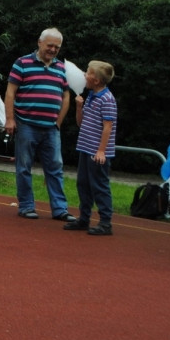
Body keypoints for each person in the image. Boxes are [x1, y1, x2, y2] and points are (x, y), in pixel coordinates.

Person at [4, 28, 76, 222]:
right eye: (49, 45)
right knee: (24, 166)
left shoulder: (62, 68)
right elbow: (10, 92)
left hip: (51, 127)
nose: (52, 49)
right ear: (39, 43)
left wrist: (58, 123)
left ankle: (60, 209)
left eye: (57, 47)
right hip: (26, 123)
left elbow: (66, 96)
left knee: (55, 167)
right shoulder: (22, 63)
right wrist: (10, 119)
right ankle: (27, 206)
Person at [64, 61, 117, 235]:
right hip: (86, 148)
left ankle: (105, 222)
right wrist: (79, 107)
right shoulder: (91, 97)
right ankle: (84, 218)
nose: (84, 75)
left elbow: (108, 126)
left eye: (88, 72)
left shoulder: (107, 99)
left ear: (97, 80)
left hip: (97, 152)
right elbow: (81, 123)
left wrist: (101, 150)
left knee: (99, 185)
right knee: (83, 184)